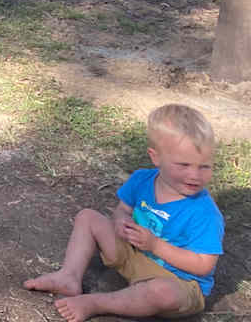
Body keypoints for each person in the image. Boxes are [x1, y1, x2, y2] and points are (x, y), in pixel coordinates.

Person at [24, 104, 224, 322]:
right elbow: (122, 211)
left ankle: (96, 303)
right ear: (156, 158)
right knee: (88, 217)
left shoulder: (204, 213)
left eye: (204, 167)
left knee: (161, 292)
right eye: (184, 164)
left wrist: (156, 245)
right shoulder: (142, 179)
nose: (194, 175)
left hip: (179, 282)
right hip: (135, 255)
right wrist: (121, 222)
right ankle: (68, 276)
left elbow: (203, 266)